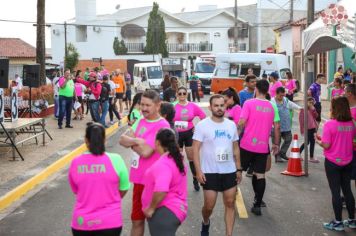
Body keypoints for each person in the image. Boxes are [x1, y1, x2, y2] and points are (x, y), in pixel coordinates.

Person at [119, 90, 170, 236]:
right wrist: (137, 141)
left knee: (156, 224)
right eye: (142, 104)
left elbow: (146, 152)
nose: (144, 108)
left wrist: (132, 142)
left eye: (148, 105)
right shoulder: (141, 120)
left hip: (155, 183)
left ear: (158, 105)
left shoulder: (162, 126)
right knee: (137, 221)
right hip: (139, 181)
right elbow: (122, 139)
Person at [192, 94, 242, 236]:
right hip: (210, 171)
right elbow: (195, 149)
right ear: (210, 107)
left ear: (225, 107)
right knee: (209, 206)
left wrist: (239, 169)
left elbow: (235, 148)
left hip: (229, 170)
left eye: (222, 105)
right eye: (216, 106)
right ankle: (206, 221)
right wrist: (198, 171)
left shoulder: (231, 125)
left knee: (230, 203)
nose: (219, 108)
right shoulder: (202, 125)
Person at [69, 122, 130, 236]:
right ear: (104, 140)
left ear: (86, 140)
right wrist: (112, 197)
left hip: (82, 223)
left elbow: (76, 190)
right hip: (111, 222)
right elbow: (124, 187)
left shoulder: (76, 162)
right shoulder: (116, 160)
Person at [238, 79, 280, 216]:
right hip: (262, 147)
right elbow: (277, 126)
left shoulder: (248, 103)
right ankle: (257, 204)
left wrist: (234, 139)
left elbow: (242, 123)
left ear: (256, 88)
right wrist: (276, 143)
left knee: (237, 170)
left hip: (246, 145)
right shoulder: (272, 105)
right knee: (260, 175)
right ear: (268, 90)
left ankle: (231, 196)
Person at [315, 97, 356, 231]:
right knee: (347, 190)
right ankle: (351, 220)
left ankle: (338, 222)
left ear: (334, 108)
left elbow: (326, 145)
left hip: (333, 162)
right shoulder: (352, 123)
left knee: (335, 192)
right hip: (348, 161)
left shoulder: (330, 124)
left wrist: (318, 141)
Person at [142, 128, 188, 236]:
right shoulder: (176, 158)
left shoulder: (164, 164)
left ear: (157, 142)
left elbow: (161, 189)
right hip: (174, 209)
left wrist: (151, 208)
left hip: (164, 211)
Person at [173, 86, 206, 191]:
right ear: (176, 94)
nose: (182, 95)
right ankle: (177, 182)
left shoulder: (192, 105)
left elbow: (203, 117)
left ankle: (195, 179)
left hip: (189, 133)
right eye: (180, 93)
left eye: (184, 93)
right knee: (177, 159)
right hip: (176, 134)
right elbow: (165, 118)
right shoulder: (173, 106)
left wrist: (198, 128)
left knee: (191, 158)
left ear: (187, 94)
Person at [271, 87, 301, 162]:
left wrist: (300, 108)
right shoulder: (272, 102)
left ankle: (282, 153)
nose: (282, 97)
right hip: (276, 126)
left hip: (286, 126)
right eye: (280, 95)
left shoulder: (286, 100)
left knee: (288, 139)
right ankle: (277, 156)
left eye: (283, 95)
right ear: (276, 94)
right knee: (277, 142)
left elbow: (293, 105)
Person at [299, 97, 319, 163]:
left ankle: (311, 157)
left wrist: (314, 110)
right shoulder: (303, 110)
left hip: (313, 128)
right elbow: (301, 121)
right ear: (306, 102)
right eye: (310, 102)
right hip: (307, 129)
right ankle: (298, 153)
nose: (311, 104)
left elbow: (316, 117)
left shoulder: (312, 109)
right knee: (306, 142)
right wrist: (302, 131)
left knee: (313, 142)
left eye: (312, 103)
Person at [345, 83, 356, 188]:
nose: (343, 94)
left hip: (353, 149)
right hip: (347, 148)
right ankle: (346, 196)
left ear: (350, 94)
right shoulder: (346, 109)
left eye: (345, 91)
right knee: (346, 176)